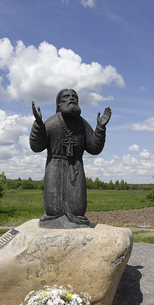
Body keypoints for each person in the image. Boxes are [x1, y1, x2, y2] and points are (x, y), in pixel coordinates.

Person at [30, 89, 111, 228]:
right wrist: (38, 125)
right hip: (55, 165)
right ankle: (53, 220)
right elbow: (36, 146)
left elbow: (94, 148)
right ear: (58, 104)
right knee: (52, 208)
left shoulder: (82, 124)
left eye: (74, 97)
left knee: (78, 209)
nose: (71, 98)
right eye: (66, 97)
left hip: (76, 166)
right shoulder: (52, 122)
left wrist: (100, 128)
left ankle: (74, 219)